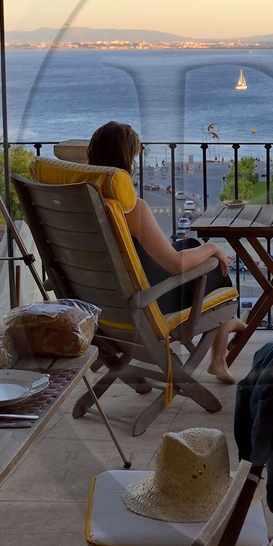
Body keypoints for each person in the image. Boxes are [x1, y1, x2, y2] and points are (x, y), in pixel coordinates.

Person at [86, 121, 246, 383]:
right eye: (134, 157)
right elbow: (175, 265)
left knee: (193, 246)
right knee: (215, 266)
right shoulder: (132, 209)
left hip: (107, 303)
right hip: (149, 302)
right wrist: (214, 247)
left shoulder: (85, 203)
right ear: (127, 161)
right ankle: (220, 350)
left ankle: (230, 321)